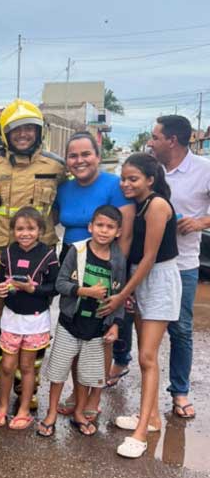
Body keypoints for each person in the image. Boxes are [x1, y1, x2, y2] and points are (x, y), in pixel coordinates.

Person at [50, 132, 132, 416]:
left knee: (101, 332)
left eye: (86, 154)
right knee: (75, 327)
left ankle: (94, 397)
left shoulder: (113, 185)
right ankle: (77, 392)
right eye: (73, 155)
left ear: (98, 156)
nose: (79, 160)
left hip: (106, 266)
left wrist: (121, 286)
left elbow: (125, 234)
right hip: (73, 261)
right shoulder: (64, 189)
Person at [0, 100, 66, 342]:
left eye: (29, 128)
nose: (23, 134)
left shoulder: (56, 167)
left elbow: (66, 202)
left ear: (39, 132)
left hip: (37, 257)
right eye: (16, 129)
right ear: (5, 133)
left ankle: (24, 379)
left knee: (33, 319)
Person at [111, 154, 182, 458]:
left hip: (158, 280)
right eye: (124, 178)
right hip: (141, 278)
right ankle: (150, 418)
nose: (126, 184)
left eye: (133, 179)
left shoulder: (157, 205)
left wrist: (122, 293)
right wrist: (129, 289)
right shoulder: (139, 206)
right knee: (145, 355)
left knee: (147, 356)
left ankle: (141, 434)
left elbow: (151, 258)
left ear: (150, 180)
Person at [39, 205, 125, 437]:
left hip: (97, 327)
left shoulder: (118, 260)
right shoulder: (76, 251)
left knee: (86, 375)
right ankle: (50, 414)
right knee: (57, 372)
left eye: (110, 227)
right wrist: (85, 292)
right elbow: (60, 284)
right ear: (90, 227)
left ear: (118, 231)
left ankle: (79, 412)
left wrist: (115, 324)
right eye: (99, 225)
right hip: (70, 322)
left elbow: (120, 296)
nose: (104, 231)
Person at [144, 115, 209, 418]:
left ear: (172, 140)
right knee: (136, 322)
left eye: (155, 137)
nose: (151, 141)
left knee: (180, 329)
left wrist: (201, 222)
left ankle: (179, 392)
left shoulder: (203, 170)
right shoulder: (150, 168)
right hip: (145, 262)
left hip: (183, 263)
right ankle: (120, 364)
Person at [0, 207, 59, 431]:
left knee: (27, 367)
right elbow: (0, 281)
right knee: (8, 366)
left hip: (36, 319)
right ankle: (2, 407)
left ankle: (23, 410)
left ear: (40, 230)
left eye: (31, 229)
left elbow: (55, 287)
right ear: (13, 231)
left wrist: (33, 288)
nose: (25, 233)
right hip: (11, 317)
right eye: (20, 229)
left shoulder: (48, 255)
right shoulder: (8, 253)